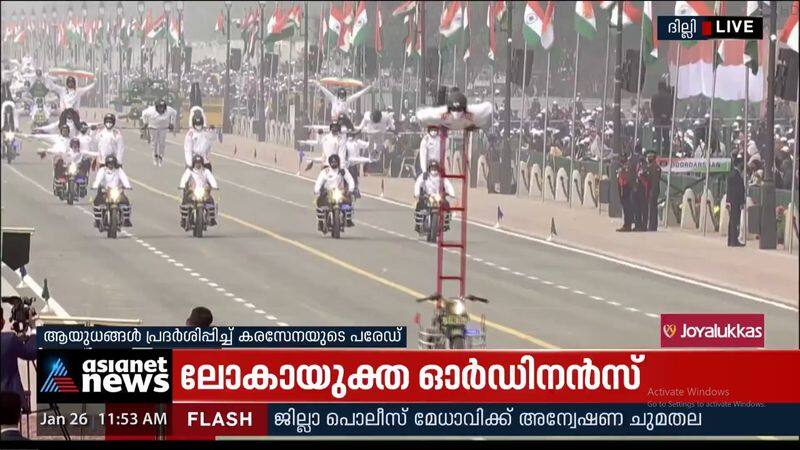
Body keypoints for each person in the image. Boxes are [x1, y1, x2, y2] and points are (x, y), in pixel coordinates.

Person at [0, 302, 36, 415]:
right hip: (8, 402)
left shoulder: (10, 340)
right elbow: (31, 352)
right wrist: (34, 329)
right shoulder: (9, 339)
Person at [314, 154, 356, 231]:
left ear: (338, 162)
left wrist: (351, 189)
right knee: (319, 202)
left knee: (349, 202)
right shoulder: (325, 172)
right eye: (332, 162)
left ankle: (348, 220)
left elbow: (350, 180)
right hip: (327, 193)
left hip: (340, 192)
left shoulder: (343, 171)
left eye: (335, 162)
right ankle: (320, 222)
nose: (334, 164)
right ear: (330, 162)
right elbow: (318, 182)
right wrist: (317, 191)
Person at [413, 161, 455, 233]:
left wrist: (451, 193)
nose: (433, 170)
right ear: (429, 168)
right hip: (427, 195)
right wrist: (417, 193)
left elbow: (448, 185)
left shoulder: (442, 177)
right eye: (432, 168)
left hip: (439, 196)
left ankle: (446, 223)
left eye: (435, 168)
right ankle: (418, 223)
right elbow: (418, 183)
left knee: (447, 204)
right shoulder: (424, 176)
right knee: (419, 204)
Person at [92, 155, 132, 228]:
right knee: (97, 202)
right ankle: (97, 220)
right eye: (109, 163)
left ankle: (126, 220)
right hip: (105, 191)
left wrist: (127, 186)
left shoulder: (118, 170)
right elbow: (98, 179)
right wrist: (95, 185)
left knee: (126, 202)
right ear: (107, 163)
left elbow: (124, 178)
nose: (111, 165)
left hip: (117, 191)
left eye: (112, 163)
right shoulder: (102, 170)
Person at [179, 155, 219, 228]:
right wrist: (182, 185)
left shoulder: (206, 171)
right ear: (194, 163)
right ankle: (183, 219)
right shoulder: (190, 171)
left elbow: (211, 178)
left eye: (199, 162)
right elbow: (184, 178)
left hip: (203, 192)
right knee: (185, 201)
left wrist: (215, 185)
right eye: (196, 162)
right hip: (192, 192)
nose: (198, 164)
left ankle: (212, 219)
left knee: (211, 201)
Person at [141, 98, 177, 167]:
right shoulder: (150, 110)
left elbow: (174, 113)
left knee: (162, 143)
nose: (161, 109)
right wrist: (145, 123)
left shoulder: (169, 110)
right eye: (160, 107)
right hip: (153, 127)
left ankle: (160, 157)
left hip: (163, 128)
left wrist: (172, 123)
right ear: (156, 107)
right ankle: (154, 156)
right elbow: (143, 114)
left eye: (163, 107)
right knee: (154, 142)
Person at [726, 154, 746, 247]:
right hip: (736, 202)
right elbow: (739, 190)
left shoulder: (731, 174)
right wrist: (742, 202)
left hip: (731, 201)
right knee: (735, 221)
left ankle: (731, 240)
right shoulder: (737, 175)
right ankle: (734, 241)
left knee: (732, 221)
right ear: (739, 164)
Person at [343, 131, 369, 198]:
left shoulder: (357, 142)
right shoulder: (343, 142)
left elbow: (366, 145)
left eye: (352, 134)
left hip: (354, 165)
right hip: (344, 165)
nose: (350, 136)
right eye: (349, 134)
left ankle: (355, 189)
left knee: (354, 178)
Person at [641, 150, 662, 231]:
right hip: (648, 190)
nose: (648, 158)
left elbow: (655, 181)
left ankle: (653, 226)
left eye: (650, 157)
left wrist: (652, 191)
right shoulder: (648, 167)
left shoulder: (656, 168)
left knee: (653, 208)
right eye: (648, 157)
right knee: (650, 208)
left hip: (654, 190)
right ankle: (650, 225)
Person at [616, 153, 635, 232]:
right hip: (622, 190)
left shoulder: (627, 167)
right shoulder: (622, 167)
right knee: (625, 208)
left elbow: (628, 179)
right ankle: (626, 224)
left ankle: (628, 225)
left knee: (627, 208)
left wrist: (622, 173)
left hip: (626, 189)